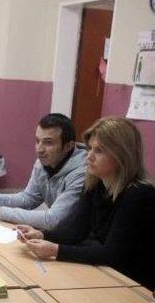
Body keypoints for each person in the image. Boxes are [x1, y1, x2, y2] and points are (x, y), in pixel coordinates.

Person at [17, 117, 155, 290]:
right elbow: (75, 231)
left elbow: (112, 254)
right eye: (90, 148)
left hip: (133, 284)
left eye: (99, 151)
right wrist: (42, 235)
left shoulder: (139, 195)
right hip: (106, 273)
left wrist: (56, 250)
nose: (89, 157)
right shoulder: (95, 183)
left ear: (121, 155)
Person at [0, 113, 86, 230]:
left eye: (48, 142)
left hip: (83, 240)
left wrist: (0, 212)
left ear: (68, 146)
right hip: (64, 233)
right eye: (37, 141)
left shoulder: (82, 174)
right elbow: (29, 198)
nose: (39, 149)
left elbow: (53, 220)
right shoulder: (43, 163)